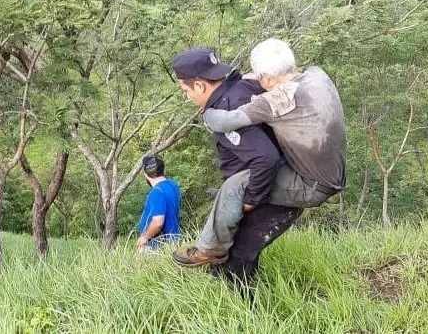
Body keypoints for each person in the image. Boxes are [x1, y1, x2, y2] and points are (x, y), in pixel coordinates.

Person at [174, 39, 347, 267]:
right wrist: (255, 77)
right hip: (329, 172)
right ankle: (228, 207)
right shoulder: (317, 76)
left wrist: (250, 200)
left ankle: (209, 250)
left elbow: (229, 124)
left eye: (186, 90)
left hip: (311, 183)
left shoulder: (274, 101)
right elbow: (260, 82)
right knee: (233, 190)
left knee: (233, 188)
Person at [170, 48, 288, 267]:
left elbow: (266, 158)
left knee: (238, 256)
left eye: (185, 91)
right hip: (275, 172)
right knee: (238, 251)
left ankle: (236, 296)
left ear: (199, 85)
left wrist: (251, 200)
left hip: (269, 181)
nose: (188, 97)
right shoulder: (240, 86)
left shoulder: (227, 107)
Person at [136, 155, 181, 254]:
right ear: (163, 170)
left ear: (146, 175)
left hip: (156, 246)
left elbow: (158, 223)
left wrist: (145, 237)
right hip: (173, 242)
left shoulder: (157, 192)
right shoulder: (173, 186)